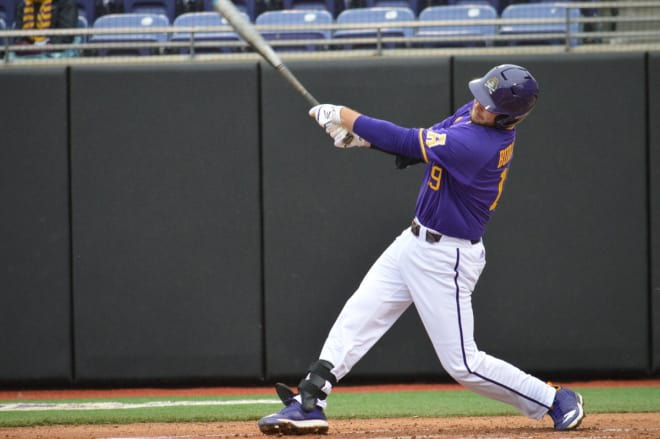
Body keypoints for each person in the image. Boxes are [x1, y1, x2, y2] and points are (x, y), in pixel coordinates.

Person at [257, 64, 585, 435]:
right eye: (480, 96)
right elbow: (428, 138)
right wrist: (363, 140)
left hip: (448, 258)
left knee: (462, 362)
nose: (478, 105)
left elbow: (408, 140)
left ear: (509, 117)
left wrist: (345, 116)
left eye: (488, 104)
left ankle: (554, 399)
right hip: (413, 242)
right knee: (359, 314)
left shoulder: (481, 145)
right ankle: (311, 401)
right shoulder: (478, 116)